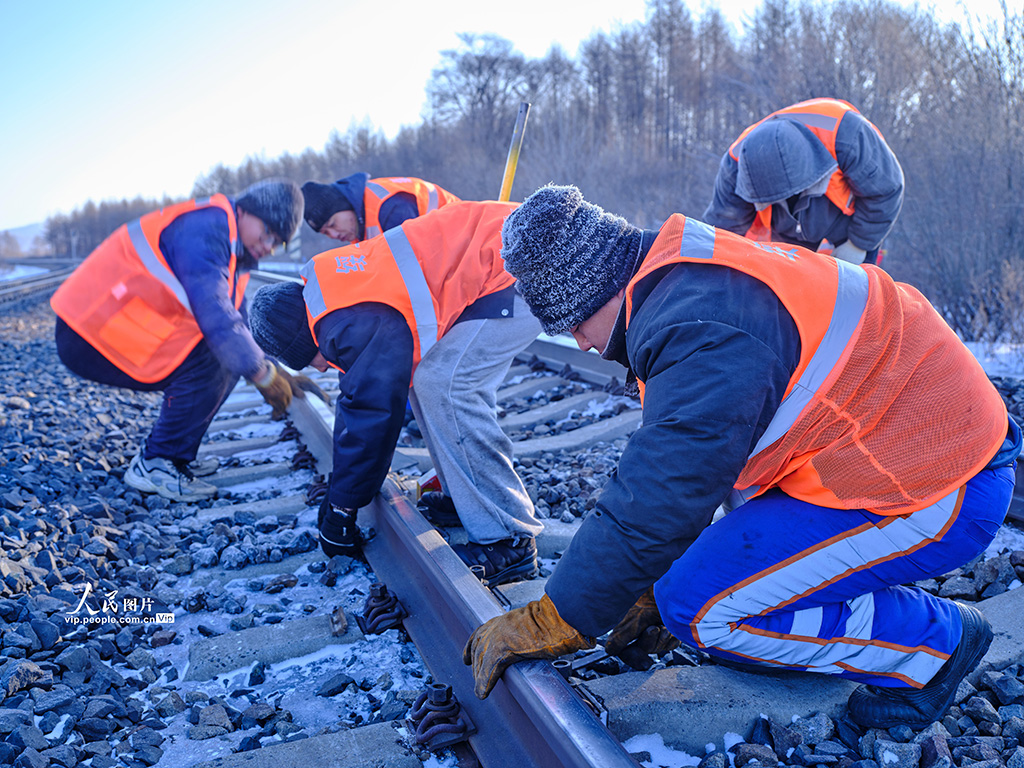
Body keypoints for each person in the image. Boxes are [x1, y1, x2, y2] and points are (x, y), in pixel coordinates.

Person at [464, 184, 1021, 733]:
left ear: (597, 290)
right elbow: (704, 467)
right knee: (683, 584)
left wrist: (561, 614)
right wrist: (644, 584)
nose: (581, 346)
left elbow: (664, 489)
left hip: (940, 478)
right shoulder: (684, 283)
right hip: (877, 446)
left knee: (701, 611)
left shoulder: (701, 329)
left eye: (573, 325)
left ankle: (934, 645)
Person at [248, 200, 544, 586]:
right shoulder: (334, 296)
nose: (320, 367)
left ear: (303, 339)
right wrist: (344, 492)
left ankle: (509, 539)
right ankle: (469, 497)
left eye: (309, 359)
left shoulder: (350, 320)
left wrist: (342, 504)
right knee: (431, 380)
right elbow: (361, 401)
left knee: (445, 384)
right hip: (506, 253)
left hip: (522, 260)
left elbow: (371, 413)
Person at [51, 179, 311, 503]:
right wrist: (261, 375)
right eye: (269, 233)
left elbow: (238, 324)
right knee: (219, 352)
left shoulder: (232, 248)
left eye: (279, 242)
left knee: (229, 352)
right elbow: (216, 315)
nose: (270, 246)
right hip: (88, 329)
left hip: (113, 325)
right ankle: (157, 462)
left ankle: (174, 458)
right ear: (247, 211)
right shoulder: (208, 228)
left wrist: (272, 368)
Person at [703, 98, 903, 265]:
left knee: (857, 299)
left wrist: (858, 244)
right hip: (784, 236)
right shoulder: (736, 165)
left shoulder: (848, 134)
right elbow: (722, 232)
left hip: (849, 225)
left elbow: (886, 189)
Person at [301, 172, 461, 244]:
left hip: (469, 245)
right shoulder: (360, 228)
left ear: (344, 205)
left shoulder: (390, 209)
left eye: (332, 225)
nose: (334, 235)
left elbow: (417, 272)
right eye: (325, 233)